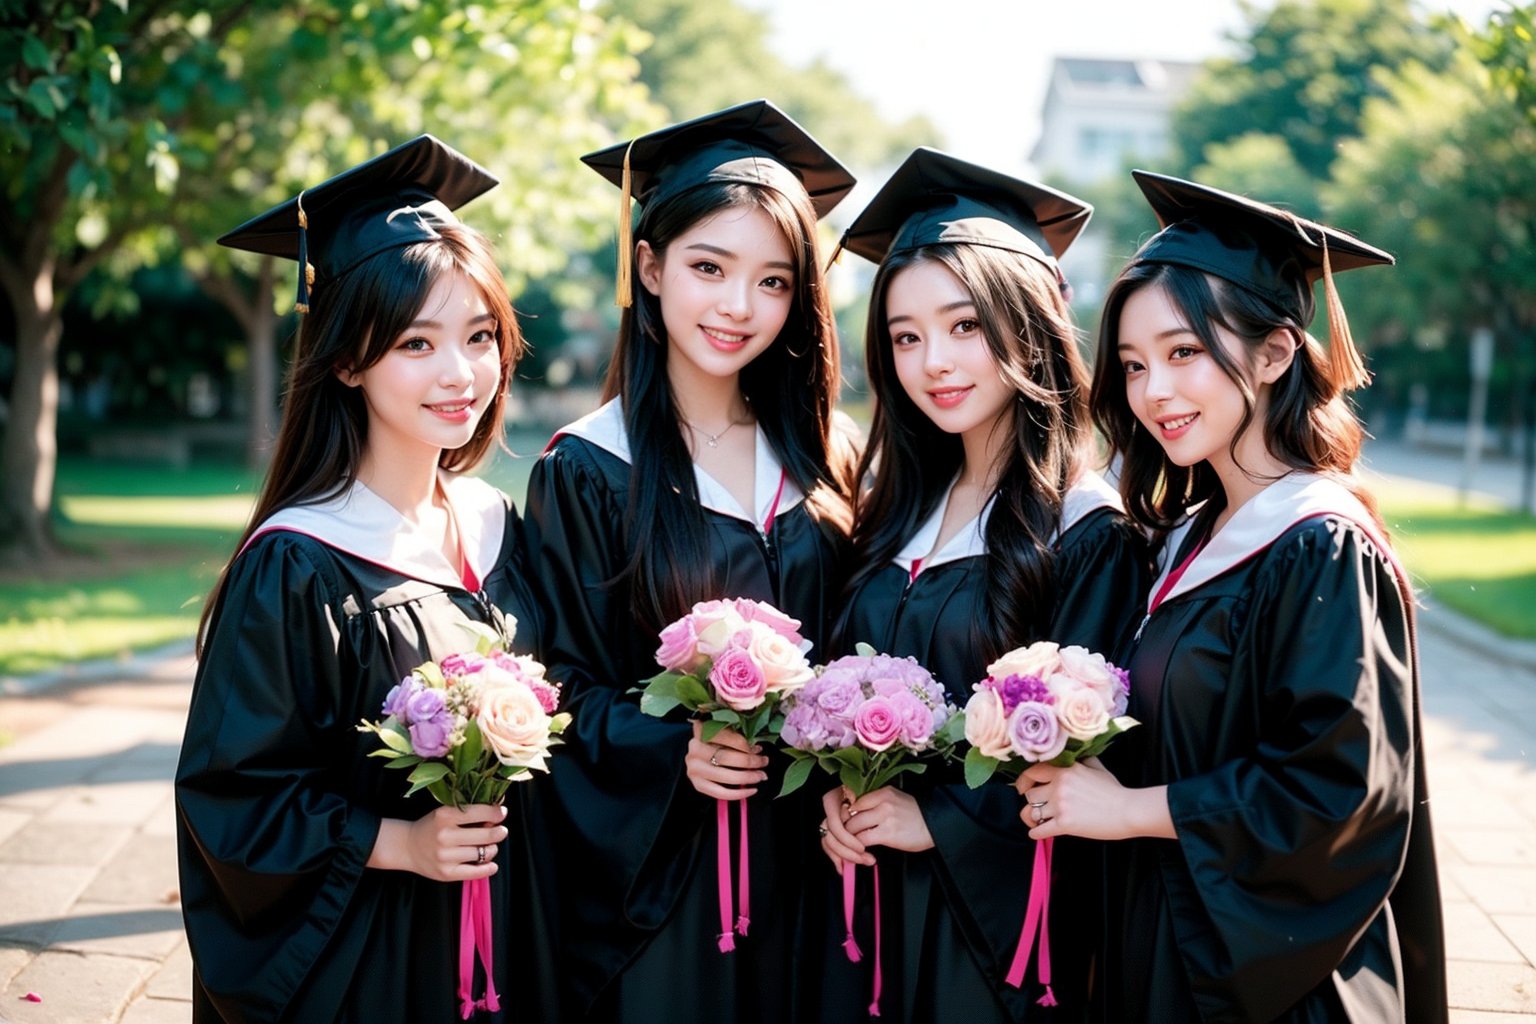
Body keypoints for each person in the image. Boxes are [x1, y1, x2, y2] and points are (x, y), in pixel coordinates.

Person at [1018, 170, 1447, 1022]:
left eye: (1184, 354)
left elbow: (1338, 790)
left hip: (1276, 984)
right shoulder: (1187, 539)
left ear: (1277, 351)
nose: (1155, 393)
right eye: (1135, 366)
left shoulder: (1318, 543)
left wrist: (1133, 809)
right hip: (1173, 950)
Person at [175, 136, 554, 1023]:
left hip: (506, 926)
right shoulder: (298, 560)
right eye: (416, 342)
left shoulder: (499, 526)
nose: (460, 374)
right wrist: (398, 842)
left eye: (479, 336)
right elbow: (236, 795)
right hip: (374, 951)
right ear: (348, 360)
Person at [521, 100, 857, 1022]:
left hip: (826, 866)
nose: (738, 307)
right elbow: (557, 689)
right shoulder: (588, 467)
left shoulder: (834, 457)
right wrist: (674, 746)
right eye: (710, 268)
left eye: (774, 281)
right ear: (650, 266)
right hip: (667, 882)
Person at [814, 148, 1152, 1022]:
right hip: (862, 912)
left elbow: (1093, 759)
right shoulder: (892, 511)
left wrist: (940, 822)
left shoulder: (1085, 524)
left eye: (965, 326)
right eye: (906, 335)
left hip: (991, 936)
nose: (934, 362)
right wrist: (837, 792)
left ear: (1029, 324)